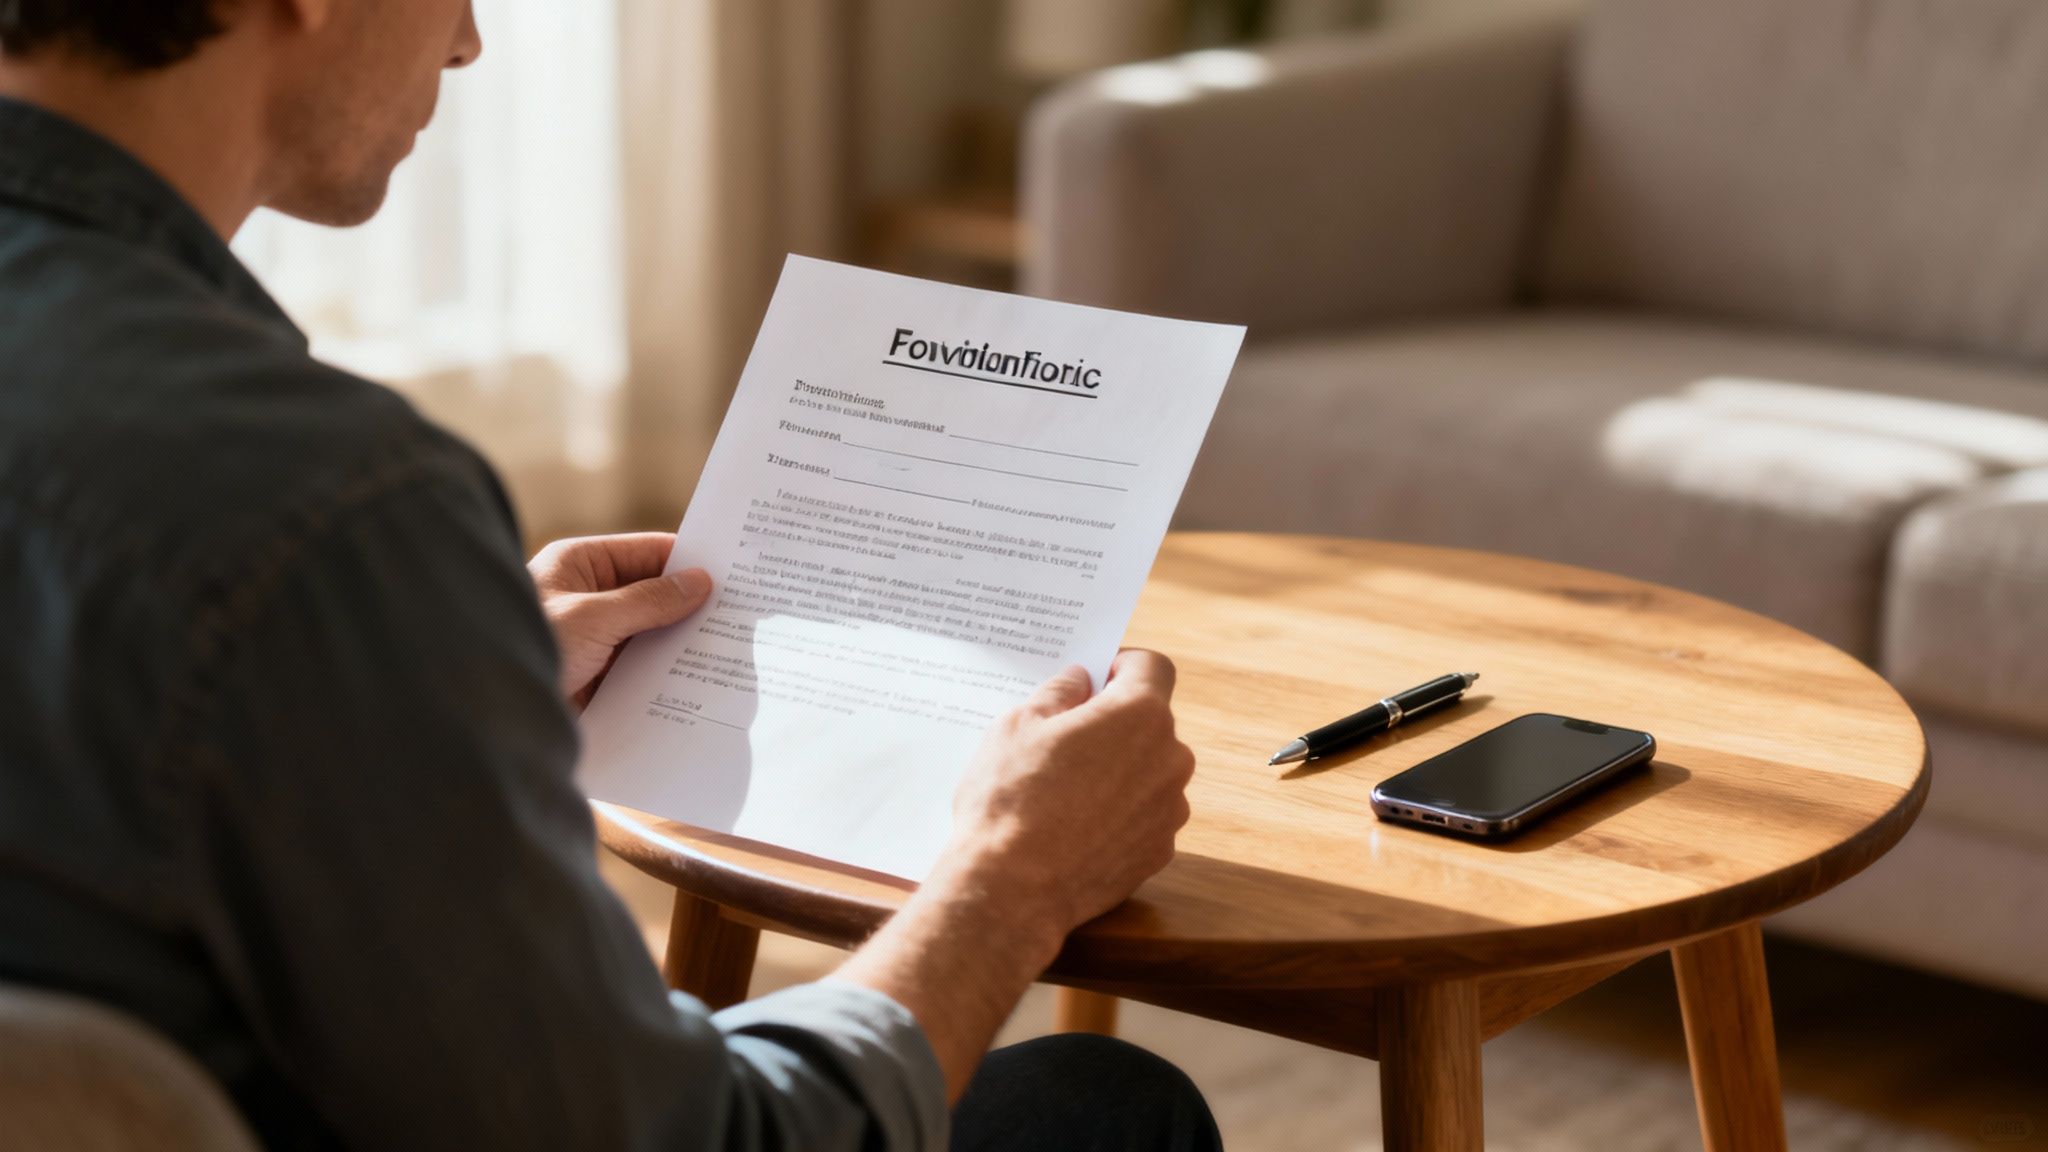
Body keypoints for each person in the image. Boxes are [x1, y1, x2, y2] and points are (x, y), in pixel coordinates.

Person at [0, 2, 1221, 1149]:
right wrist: (1009, 884)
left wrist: (428, 675)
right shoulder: (321, 504)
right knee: (1104, 1105)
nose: (470, 42)